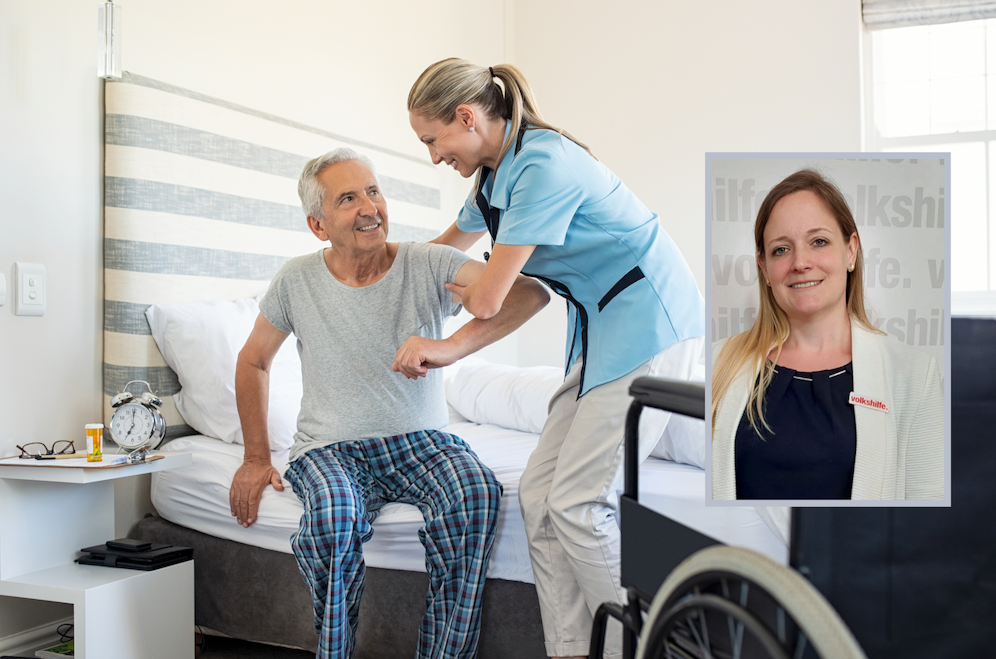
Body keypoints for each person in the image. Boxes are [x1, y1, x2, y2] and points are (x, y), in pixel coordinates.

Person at [408, 59, 705, 659]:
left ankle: (647, 648)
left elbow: (493, 296)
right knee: (539, 495)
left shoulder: (544, 165)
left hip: (652, 325)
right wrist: (375, 269)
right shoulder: (493, 179)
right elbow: (442, 253)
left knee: (577, 502)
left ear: (466, 118)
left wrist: (444, 339)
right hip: (602, 335)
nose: (434, 156)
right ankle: (573, 650)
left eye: (432, 140)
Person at [228, 147, 550, 659]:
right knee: (333, 519)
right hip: (331, 450)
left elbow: (528, 295)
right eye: (349, 198)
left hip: (422, 443)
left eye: (374, 191)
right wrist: (254, 457)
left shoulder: (428, 262)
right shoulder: (296, 279)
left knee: (475, 494)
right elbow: (253, 362)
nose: (369, 207)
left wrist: (448, 348)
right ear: (318, 224)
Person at [711, 169, 944, 501]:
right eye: (781, 250)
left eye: (818, 242)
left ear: (850, 251)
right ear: (763, 268)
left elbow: (927, 521)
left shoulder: (914, 375)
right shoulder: (717, 364)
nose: (800, 262)